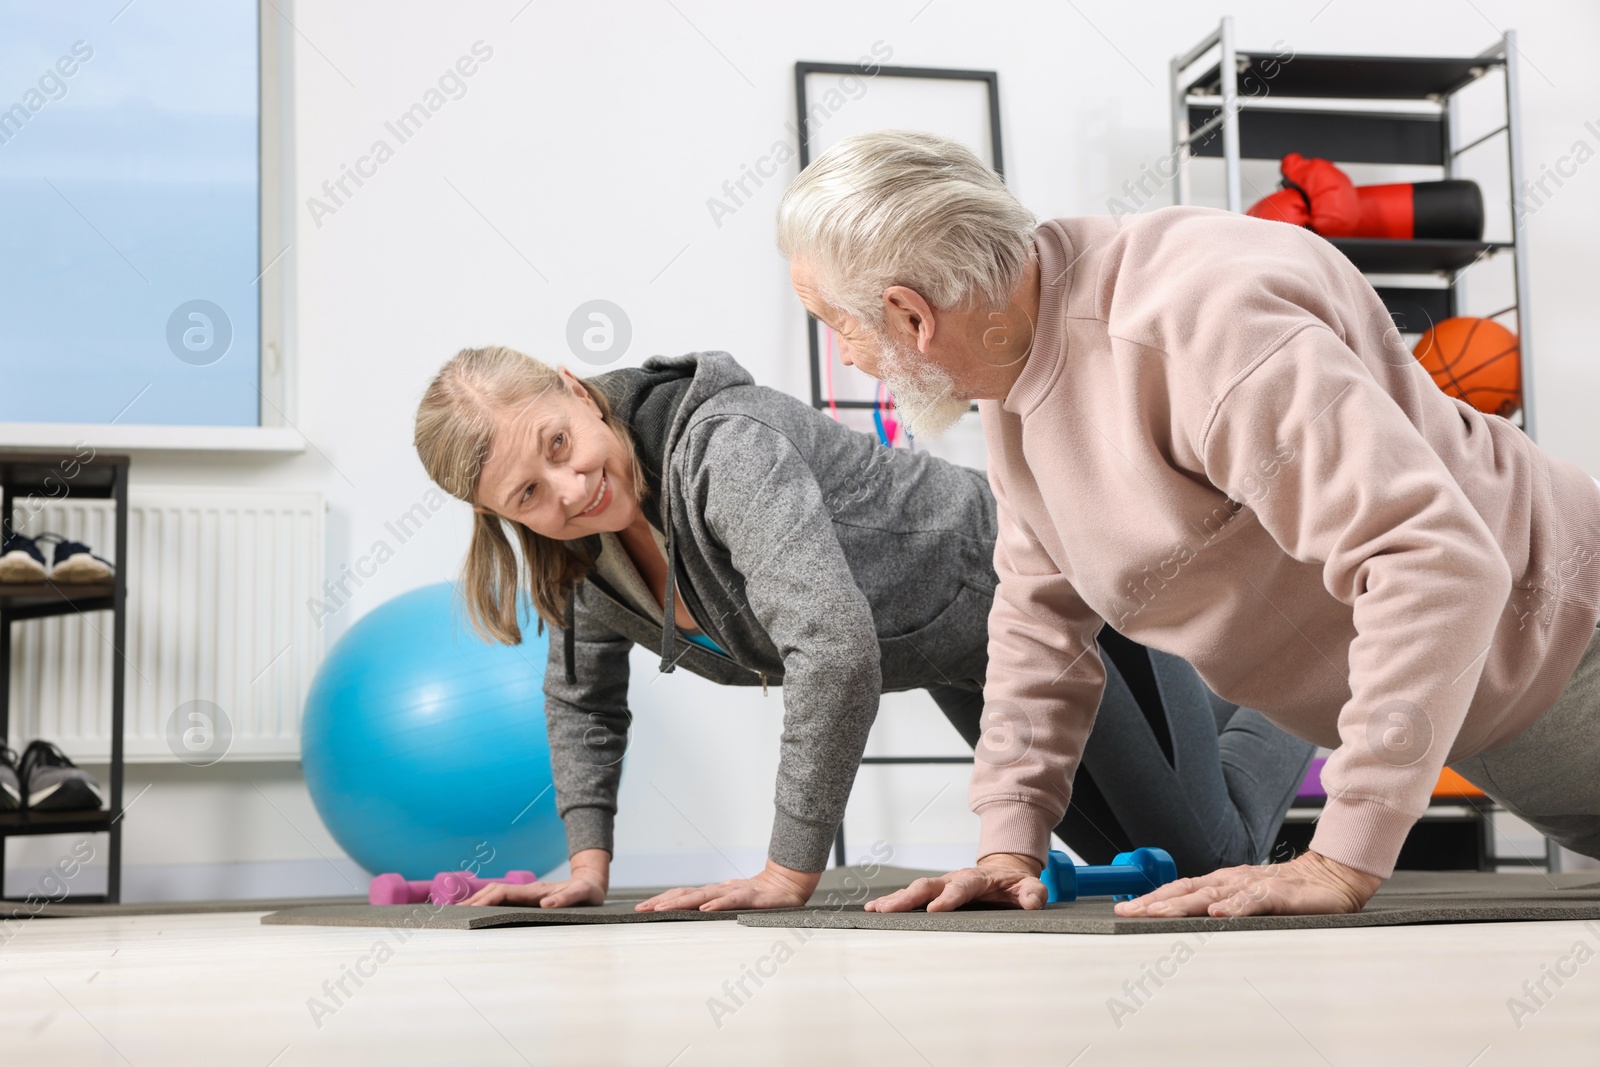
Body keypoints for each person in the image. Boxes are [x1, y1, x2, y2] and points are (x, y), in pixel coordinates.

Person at [776, 129, 1600, 918]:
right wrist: (1009, 848)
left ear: (909, 314)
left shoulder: (1199, 326)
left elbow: (1438, 558)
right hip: (1485, 712)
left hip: (1566, 641)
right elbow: (1038, 614)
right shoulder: (1019, 365)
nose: (849, 355)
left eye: (837, 324)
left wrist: (1341, 856)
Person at [410, 345, 1313, 911]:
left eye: (559, 445)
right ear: (500, 514)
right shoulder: (580, 563)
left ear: (577, 391)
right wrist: (586, 862)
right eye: (527, 493)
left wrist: (785, 871)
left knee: (1211, 861)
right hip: (964, 655)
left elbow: (834, 650)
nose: (568, 491)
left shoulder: (726, 446)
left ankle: (1319, 681)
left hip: (1049, 586)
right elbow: (584, 704)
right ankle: (1258, 682)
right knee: (1155, 877)